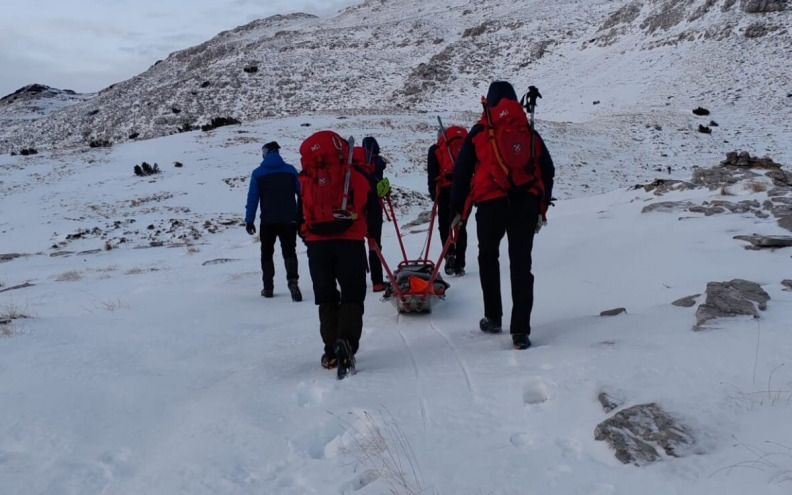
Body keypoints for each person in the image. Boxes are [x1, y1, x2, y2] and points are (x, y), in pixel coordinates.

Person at [450, 81, 555, 350]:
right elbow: (548, 169)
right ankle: (520, 331)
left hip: (490, 204)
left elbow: (461, 174)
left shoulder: (480, 131)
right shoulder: (527, 129)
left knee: (488, 257)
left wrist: (457, 211)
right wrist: (541, 207)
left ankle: (493, 317)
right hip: (525, 204)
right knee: (521, 264)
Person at [299, 131, 378, 379]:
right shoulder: (355, 175)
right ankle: (347, 343)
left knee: (326, 296)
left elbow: (298, 211)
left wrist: (307, 236)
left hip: (317, 245)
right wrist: (372, 236)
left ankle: (330, 350)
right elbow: (371, 204)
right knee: (352, 295)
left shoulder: (307, 177)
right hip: (350, 242)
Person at [245, 141, 302, 301]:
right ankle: (293, 281)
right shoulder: (290, 170)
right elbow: (302, 193)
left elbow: (253, 199)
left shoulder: (258, 173)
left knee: (267, 253)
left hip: (268, 221)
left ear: (266, 153)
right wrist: (301, 216)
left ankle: (268, 287)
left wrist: (249, 220)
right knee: (290, 251)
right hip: (289, 219)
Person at [427, 126, 468, 276]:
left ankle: (449, 254)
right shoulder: (461, 147)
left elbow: (432, 174)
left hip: (444, 191)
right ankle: (460, 264)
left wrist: (433, 194)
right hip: (462, 189)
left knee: (444, 225)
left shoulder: (435, 149)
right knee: (460, 225)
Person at [361, 136, 388, 292]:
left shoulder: (355, 165)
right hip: (374, 209)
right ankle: (377, 282)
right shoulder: (378, 163)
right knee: (375, 244)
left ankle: (356, 280)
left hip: (357, 208)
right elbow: (380, 189)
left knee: (356, 244)